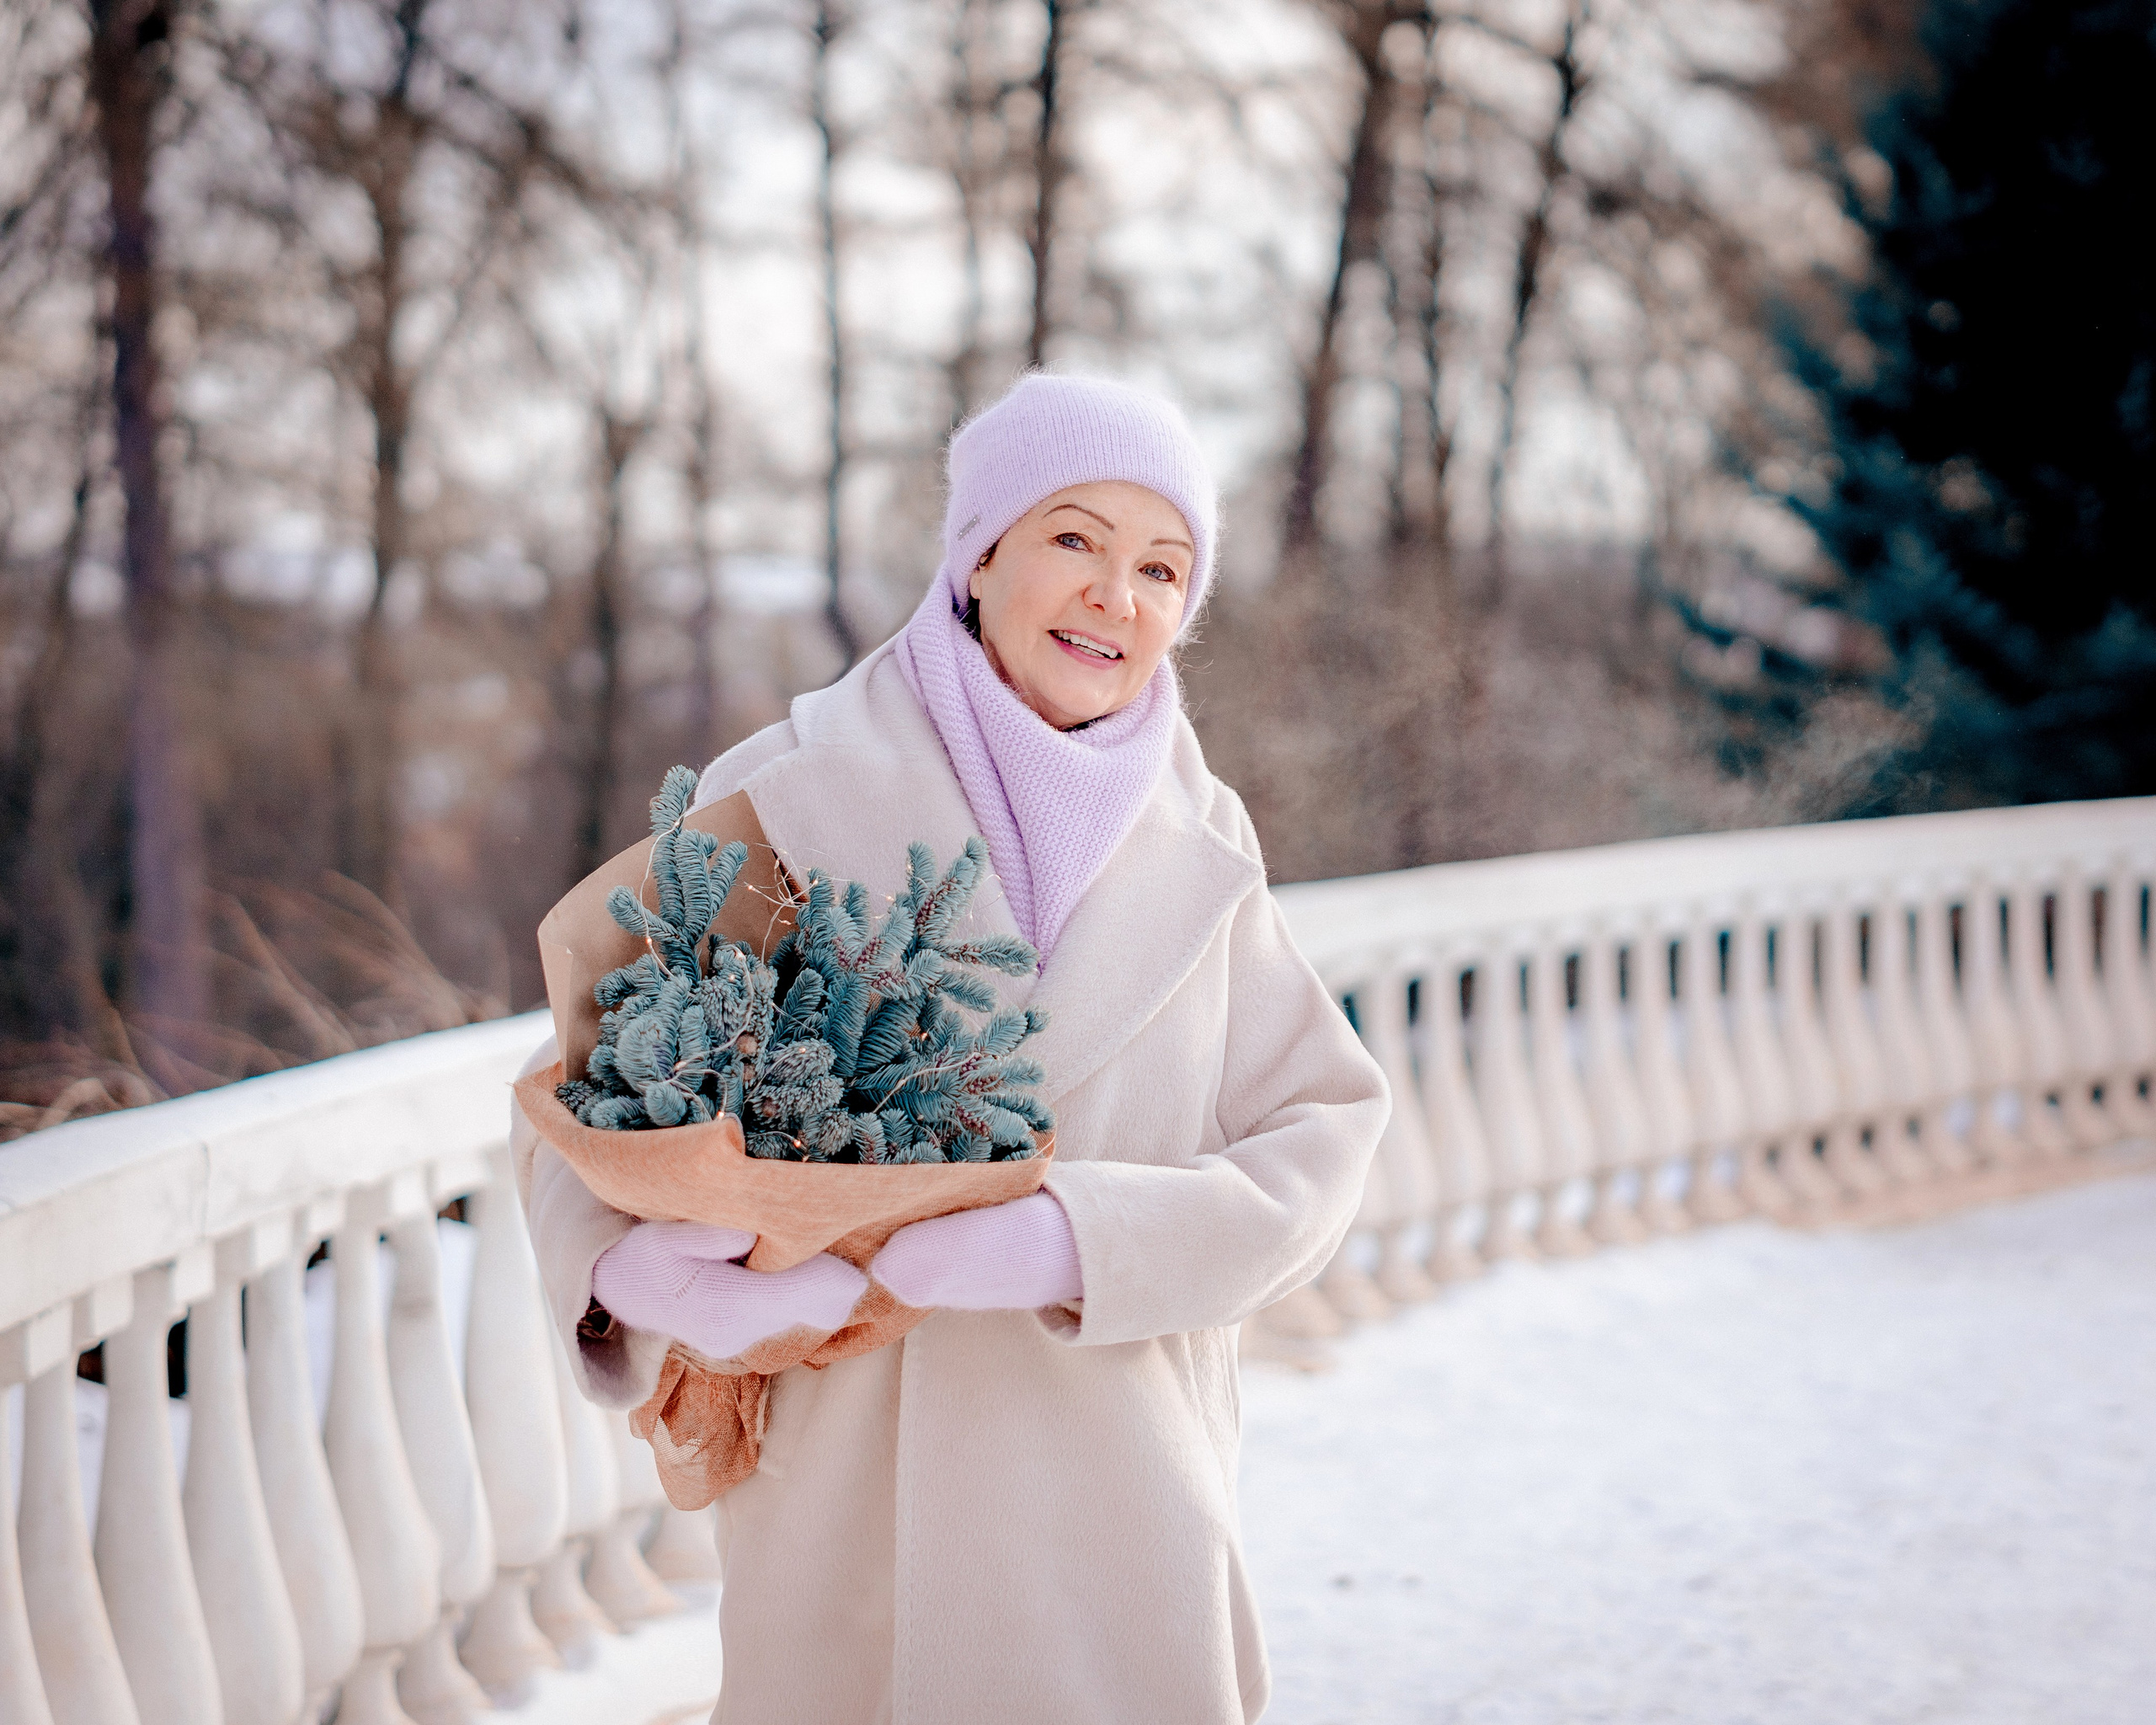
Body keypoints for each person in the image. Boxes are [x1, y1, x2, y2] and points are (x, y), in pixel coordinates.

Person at [512, 371, 1388, 1724]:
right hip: (854, 1501)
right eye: (1076, 539)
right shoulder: (784, 790)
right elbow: (583, 1081)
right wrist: (634, 1271)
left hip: (1118, 1502)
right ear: (980, 555)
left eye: (1164, 568)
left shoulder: (1208, 847)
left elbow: (1325, 1141)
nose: (1119, 595)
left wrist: (1078, 1242)